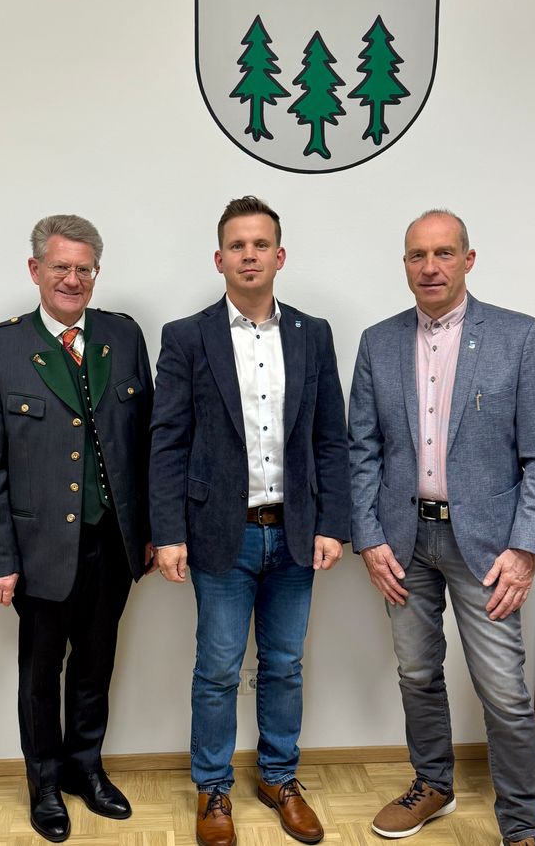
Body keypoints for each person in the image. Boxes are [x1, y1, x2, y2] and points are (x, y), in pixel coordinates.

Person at [348, 209, 535, 846]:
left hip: (490, 548)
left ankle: (524, 826)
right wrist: (369, 535)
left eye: (444, 254)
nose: (430, 267)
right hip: (403, 541)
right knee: (416, 671)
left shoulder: (519, 337)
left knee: (503, 692)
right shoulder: (377, 342)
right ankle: (433, 783)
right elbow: (361, 448)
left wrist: (526, 550)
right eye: (417, 255)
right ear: (405, 265)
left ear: (469, 259)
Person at [150, 196, 351, 846]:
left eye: (260, 244)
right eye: (237, 245)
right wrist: (169, 532)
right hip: (220, 535)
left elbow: (330, 439)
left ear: (279, 256)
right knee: (216, 667)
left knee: (284, 665)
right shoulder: (186, 337)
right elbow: (168, 441)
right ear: (219, 258)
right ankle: (213, 790)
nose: (249, 254)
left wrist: (332, 523)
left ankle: (279, 778)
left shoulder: (312, 333)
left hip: (294, 535)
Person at [0, 214, 153, 843]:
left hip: (113, 541)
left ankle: (84, 768)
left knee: (97, 664)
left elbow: (145, 442)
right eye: (60, 267)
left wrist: (150, 528)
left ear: (95, 275)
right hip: (39, 547)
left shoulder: (123, 337)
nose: (72, 279)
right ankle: (44, 782)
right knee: (41, 676)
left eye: (83, 269)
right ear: (35, 272)